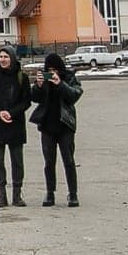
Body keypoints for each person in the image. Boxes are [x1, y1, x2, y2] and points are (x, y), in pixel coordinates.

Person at [0, 44, 31, 208]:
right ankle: (1, 195)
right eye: (1, 57)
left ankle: (17, 194)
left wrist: (12, 112)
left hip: (16, 125)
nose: (3, 59)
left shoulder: (21, 77)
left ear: (12, 58)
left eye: (6, 56)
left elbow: (26, 101)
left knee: (17, 161)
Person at [29, 50, 83, 207]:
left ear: (60, 69)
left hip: (65, 126)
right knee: (49, 162)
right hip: (47, 126)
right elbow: (34, 98)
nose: (51, 73)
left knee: (68, 161)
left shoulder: (69, 78)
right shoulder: (44, 80)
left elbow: (74, 96)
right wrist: (38, 86)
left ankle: (73, 194)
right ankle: (50, 193)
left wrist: (60, 83)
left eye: (54, 70)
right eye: (49, 70)